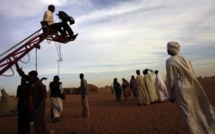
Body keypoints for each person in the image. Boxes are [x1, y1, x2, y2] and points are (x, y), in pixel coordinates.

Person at [166, 41, 215, 134]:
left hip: (181, 89)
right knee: (197, 109)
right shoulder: (186, 59)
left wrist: (171, 95)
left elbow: (171, 79)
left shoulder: (169, 61)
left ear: (170, 50)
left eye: (167, 48)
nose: (167, 50)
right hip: (192, 86)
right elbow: (192, 73)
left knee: (187, 113)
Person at [15, 63, 47, 134]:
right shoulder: (30, 81)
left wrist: (37, 110)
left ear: (35, 77)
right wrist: (16, 63)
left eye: (30, 77)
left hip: (38, 108)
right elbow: (22, 74)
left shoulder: (41, 86)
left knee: (38, 124)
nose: (29, 78)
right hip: (31, 107)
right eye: (29, 77)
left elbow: (43, 100)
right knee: (36, 123)